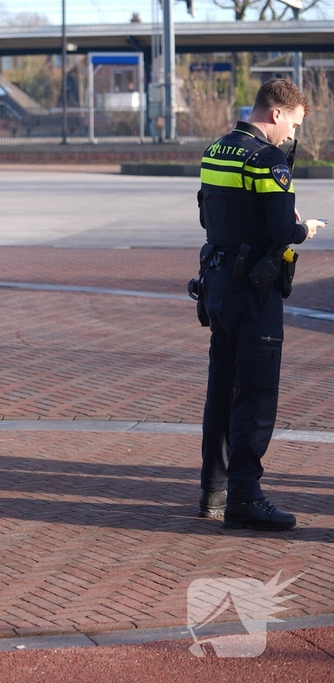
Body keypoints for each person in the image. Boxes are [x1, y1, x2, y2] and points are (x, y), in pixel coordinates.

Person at [197, 78, 326, 531]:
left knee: (222, 389)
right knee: (255, 394)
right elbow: (280, 232)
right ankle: (246, 497)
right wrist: (304, 228)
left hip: (217, 283)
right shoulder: (268, 159)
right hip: (254, 292)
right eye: (292, 124)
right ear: (276, 114)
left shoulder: (216, 150)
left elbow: (207, 213)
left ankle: (213, 488)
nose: (292, 135)